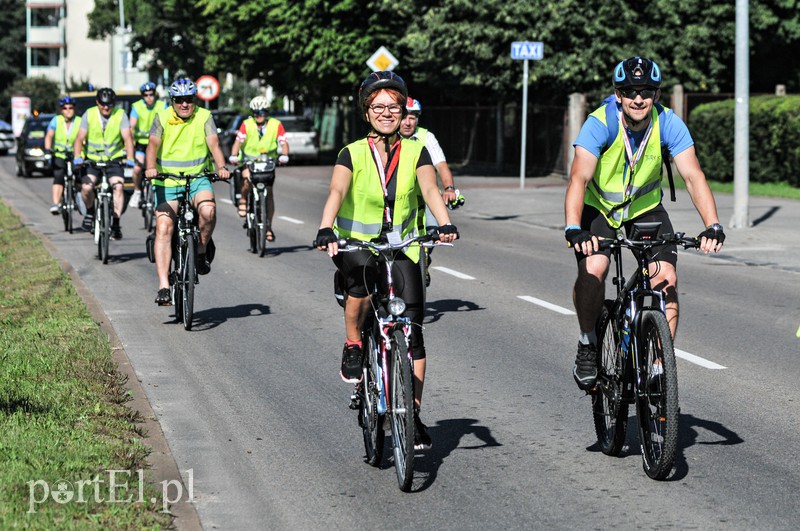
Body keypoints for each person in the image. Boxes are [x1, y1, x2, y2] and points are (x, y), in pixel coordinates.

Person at [315, 71, 459, 450]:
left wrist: (444, 222)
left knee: (412, 329)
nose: (386, 112)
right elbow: (337, 189)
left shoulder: (416, 150)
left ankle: (411, 417)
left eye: (393, 106)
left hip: (403, 246)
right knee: (360, 286)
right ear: (366, 112)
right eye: (378, 107)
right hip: (357, 243)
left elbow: (430, 187)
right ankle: (353, 344)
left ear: (403, 110)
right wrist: (326, 227)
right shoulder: (352, 152)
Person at [565, 57, 725, 391]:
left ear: (656, 94)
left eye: (647, 91)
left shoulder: (667, 122)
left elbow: (693, 176)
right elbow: (579, 178)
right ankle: (587, 341)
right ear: (618, 94)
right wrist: (573, 228)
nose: (639, 98)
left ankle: (657, 366)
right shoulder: (599, 123)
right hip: (600, 208)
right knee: (594, 270)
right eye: (631, 91)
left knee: (666, 277)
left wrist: (713, 224)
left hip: (645, 209)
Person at [145, 78, 230, 306]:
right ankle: (164, 285)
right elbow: (152, 145)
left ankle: (201, 251)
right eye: (179, 100)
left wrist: (221, 167)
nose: (184, 104)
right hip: (167, 181)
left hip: (197, 178)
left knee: (208, 211)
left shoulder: (204, 116)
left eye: (189, 100)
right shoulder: (162, 117)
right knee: (164, 227)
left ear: (195, 100)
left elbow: (214, 144)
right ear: (172, 101)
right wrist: (150, 168)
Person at [399, 96, 462, 286]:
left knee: (435, 231)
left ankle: (424, 260)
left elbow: (441, 166)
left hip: (427, 194)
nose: (408, 122)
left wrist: (449, 188)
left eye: (413, 117)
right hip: (400, 196)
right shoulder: (389, 137)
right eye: (404, 117)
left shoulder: (426, 137)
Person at [72, 88, 135, 238]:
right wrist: (77, 156)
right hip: (92, 161)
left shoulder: (120, 114)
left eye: (109, 104)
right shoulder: (89, 114)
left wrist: (131, 158)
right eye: (103, 104)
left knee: (118, 187)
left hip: (114, 160)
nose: (106, 107)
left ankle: (116, 222)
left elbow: (128, 138)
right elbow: (80, 138)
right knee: (87, 188)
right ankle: (90, 212)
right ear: (97, 102)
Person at [228, 96, 289, 242]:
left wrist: (285, 155)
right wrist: (233, 155)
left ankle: (268, 227)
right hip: (249, 162)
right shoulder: (247, 124)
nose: (258, 114)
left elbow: (284, 142)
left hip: (267, 163)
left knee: (268, 194)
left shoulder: (276, 124)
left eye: (261, 111)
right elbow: (238, 142)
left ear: (267, 112)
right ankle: (243, 198)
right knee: (247, 179)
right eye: (255, 112)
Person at [128, 82, 167, 209]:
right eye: (146, 95)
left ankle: (161, 193)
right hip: (142, 144)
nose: (149, 97)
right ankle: (137, 191)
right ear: (142, 96)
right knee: (137, 169)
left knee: (161, 170)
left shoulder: (162, 105)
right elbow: (131, 126)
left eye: (151, 94)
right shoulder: (137, 107)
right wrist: (129, 140)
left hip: (157, 144)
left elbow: (169, 122)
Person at [44, 96, 81, 215]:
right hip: (60, 153)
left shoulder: (80, 121)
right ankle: (56, 203)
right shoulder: (56, 120)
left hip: (76, 153)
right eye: (65, 108)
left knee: (79, 175)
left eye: (71, 108)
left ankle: (80, 200)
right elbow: (49, 135)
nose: (68, 110)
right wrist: (48, 150)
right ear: (61, 110)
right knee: (59, 175)